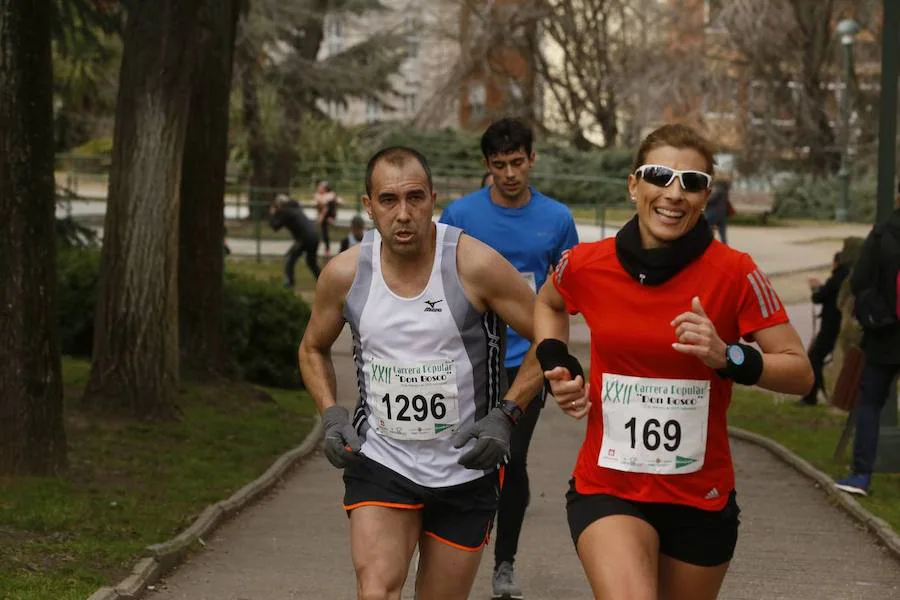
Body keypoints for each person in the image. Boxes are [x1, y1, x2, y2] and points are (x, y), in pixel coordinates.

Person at [533, 123, 813, 600]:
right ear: (633, 184)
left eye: (693, 182)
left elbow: (799, 372)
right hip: (609, 486)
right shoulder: (585, 263)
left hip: (699, 498)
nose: (674, 193)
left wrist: (728, 356)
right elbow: (548, 304)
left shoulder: (736, 272)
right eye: (659, 175)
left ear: (706, 197)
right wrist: (555, 358)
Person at [297, 147, 544, 600]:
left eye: (415, 197)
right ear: (369, 205)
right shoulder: (345, 273)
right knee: (377, 590)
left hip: (466, 467)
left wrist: (506, 415)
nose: (404, 213)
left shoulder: (475, 264)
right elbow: (312, 347)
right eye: (388, 200)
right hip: (381, 459)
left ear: (433, 199)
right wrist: (330, 414)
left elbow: (549, 340)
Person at [440, 117, 579, 600]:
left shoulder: (557, 219)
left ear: (532, 159)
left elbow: (570, 292)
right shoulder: (461, 214)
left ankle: (504, 563)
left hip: (528, 359)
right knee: (461, 457)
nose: (509, 173)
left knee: (510, 456)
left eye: (517, 162)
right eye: (499, 165)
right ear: (487, 166)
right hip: (470, 360)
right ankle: (452, 551)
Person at [835, 183, 900, 496]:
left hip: (885, 335)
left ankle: (861, 475)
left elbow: (860, 280)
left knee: (870, 403)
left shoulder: (881, 235)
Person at [798, 251, 850, 405]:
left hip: (830, 327)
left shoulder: (836, 278)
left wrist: (815, 288)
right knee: (818, 359)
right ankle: (817, 392)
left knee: (814, 358)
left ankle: (812, 395)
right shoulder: (846, 278)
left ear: (836, 262)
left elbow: (819, 298)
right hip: (837, 326)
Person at [270, 193, 321, 286]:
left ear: (280, 204)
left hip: (304, 239)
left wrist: (273, 214)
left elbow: (275, 226)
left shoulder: (286, 212)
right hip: (314, 236)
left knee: (289, 258)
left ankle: (289, 284)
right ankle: (323, 282)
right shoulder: (296, 208)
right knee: (311, 263)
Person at [315, 180, 343, 256]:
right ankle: (327, 249)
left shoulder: (330, 195)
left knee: (330, 203)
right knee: (324, 233)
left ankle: (331, 218)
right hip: (324, 216)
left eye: (321, 187)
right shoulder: (319, 195)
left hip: (328, 215)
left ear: (325, 189)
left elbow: (338, 202)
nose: (318, 188)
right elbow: (320, 207)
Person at [704, 178, 731, 245]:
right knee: (722, 233)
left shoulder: (719, 190)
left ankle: (707, 244)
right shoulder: (725, 191)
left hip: (715, 213)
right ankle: (725, 247)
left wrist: (704, 199)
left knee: (704, 224)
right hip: (722, 214)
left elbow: (711, 200)